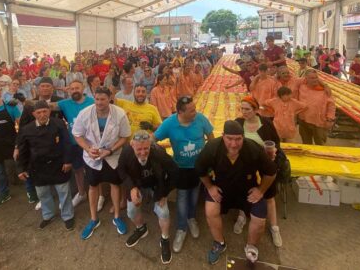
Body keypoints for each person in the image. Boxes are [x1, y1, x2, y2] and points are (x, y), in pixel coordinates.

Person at [195, 120, 277, 265]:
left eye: (238, 139)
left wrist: (261, 190)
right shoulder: (212, 147)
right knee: (210, 211)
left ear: (243, 137)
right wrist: (210, 187)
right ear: (223, 136)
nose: (234, 144)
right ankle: (219, 243)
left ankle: (251, 246)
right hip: (221, 188)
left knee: (259, 220)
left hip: (247, 189)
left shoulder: (253, 148)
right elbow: (200, 169)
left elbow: (271, 172)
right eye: (229, 139)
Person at [154, 96, 214, 253]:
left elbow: (211, 137)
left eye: (195, 108)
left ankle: (191, 218)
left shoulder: (201, 119)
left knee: (194, 194)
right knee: (182, 197)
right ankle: (181, 228)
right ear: (180, 111)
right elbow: (154, 138)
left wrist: (210, 159)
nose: (195, 112)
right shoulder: (169, 123)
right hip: (180, 168)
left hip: (199, 167)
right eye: (192, 110)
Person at [73, 87, 130, 240]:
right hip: (92, 157)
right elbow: (77, 134)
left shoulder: (119, 114)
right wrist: (88, 148)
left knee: (115, 184)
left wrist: (110, 150)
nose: (99, 102)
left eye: (103, 99)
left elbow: (125, 137)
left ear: (110, 98)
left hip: (113, 156)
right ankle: (93, 219)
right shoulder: (85, 113)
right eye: (97, 99)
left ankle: (117, 216)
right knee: (92, 186)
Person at [118, 131, 178, 264]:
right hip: (136, 185)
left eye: (146, 148)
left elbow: (175, 172)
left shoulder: (159, 152)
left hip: (156, 185)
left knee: (164, 212)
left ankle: (164, 238)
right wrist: (131, 187)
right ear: (132, 145)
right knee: (131, 211)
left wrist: (164, 193)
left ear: (151, 145)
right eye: (139, 149)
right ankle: (141, 228)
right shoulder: (126, 151)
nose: (143, 153)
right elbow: (121, 170)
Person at [234, 96, 286, 247]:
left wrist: (273, 151)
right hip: (245, 167)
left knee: (268, 196)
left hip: (265, 165)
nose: (244, 112)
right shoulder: (238, 123)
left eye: (247, 109)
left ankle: (274, 228)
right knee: (244, 193)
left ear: (256, 110)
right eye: (242, 109)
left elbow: (276, 142)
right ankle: (242, 216)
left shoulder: (266, 123)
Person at [17, 101, 75, 230]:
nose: (42, 115)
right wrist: (21, 169)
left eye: (45, 111)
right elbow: (23, 151)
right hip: (38, 167)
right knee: (43, 194)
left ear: (49, 111)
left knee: (64, 192)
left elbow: (67, 143)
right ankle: (48, 215)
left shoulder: (59, 124)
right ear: (33, 114)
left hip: (59, 165)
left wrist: (67, 161)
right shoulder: (27, 129)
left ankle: (68, 216)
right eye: (39, 112)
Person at [51, 80, 94, 207]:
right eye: (72, 88)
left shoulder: (92, 102)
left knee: (93, 170)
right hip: (74, 143)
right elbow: (49, 106)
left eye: (77, 88)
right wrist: (25, 102)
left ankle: (99, 195)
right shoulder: (65, 103)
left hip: (91, 143)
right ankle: (81, 193)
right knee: (78, 169)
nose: (75, 90)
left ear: (83, 88)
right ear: (69, 90)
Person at [297, 69, 336, 145]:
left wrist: (330, 120)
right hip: (303, 121)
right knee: (306, 144)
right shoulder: (301, 87)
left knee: (320, 145)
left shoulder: (324, 90)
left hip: (319, 123)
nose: (315, 80)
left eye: (316, 77)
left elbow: (331, 106)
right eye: (312, 78)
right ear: (306, 79)